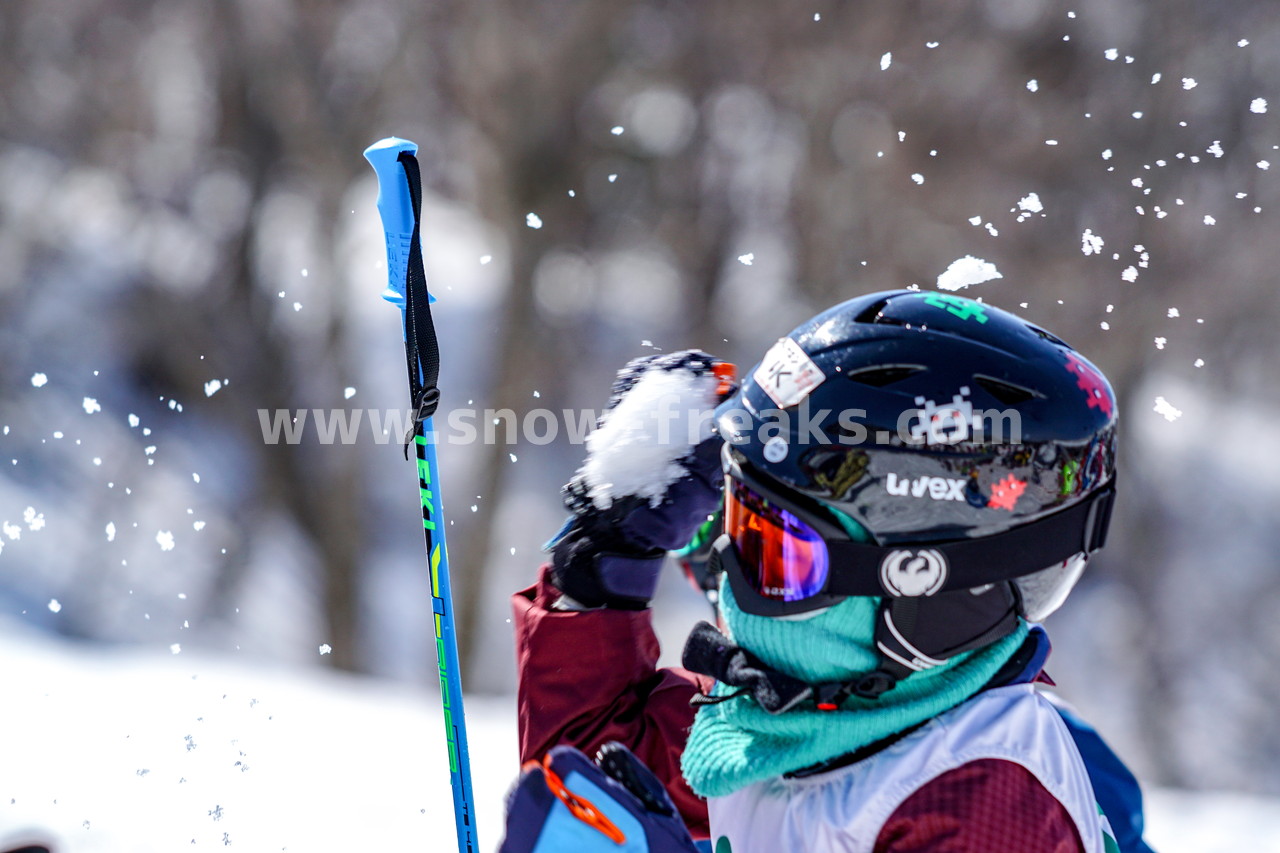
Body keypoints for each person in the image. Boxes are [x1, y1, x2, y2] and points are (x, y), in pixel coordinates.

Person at [504, 290, 1153, 852]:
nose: (727, 570)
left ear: (922, 588)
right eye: (731, 517)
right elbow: (587, 773)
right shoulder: (794, 713)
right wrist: (601, 574)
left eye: (774, 550)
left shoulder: (981, 803)